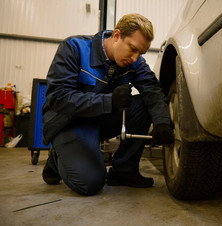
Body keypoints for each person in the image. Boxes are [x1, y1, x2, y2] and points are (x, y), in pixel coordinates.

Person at [41, 13, 174, 195]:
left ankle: (124, 170)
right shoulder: (74, 48)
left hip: (100, 119)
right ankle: (57, 157)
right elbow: (58, 98)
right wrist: (108, 101)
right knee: (90, 183)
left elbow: (152, 89)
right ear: (117, 36)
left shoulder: (134, 62)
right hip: (69, 123)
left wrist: (162, 121)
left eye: (140, 53)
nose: (135, 58)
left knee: (145, 102)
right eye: (133, 49)